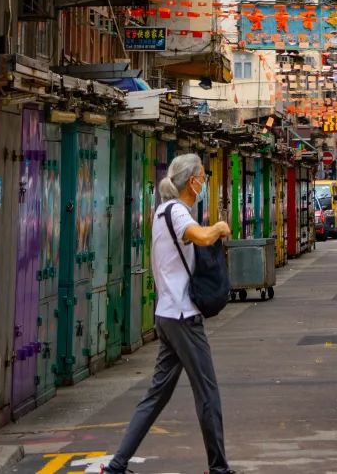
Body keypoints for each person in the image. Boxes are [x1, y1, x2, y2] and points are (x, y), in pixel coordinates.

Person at [105, 154, 234, 474]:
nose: (204, 182)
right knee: (207, 392)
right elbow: (201, 237)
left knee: (156, 396)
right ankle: (218, 468)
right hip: (183, 316)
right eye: (202, 177)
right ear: (191, 181)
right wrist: (219, 227)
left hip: (166, 316)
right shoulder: (176, 212)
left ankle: (117, 466)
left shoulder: (162, 212)